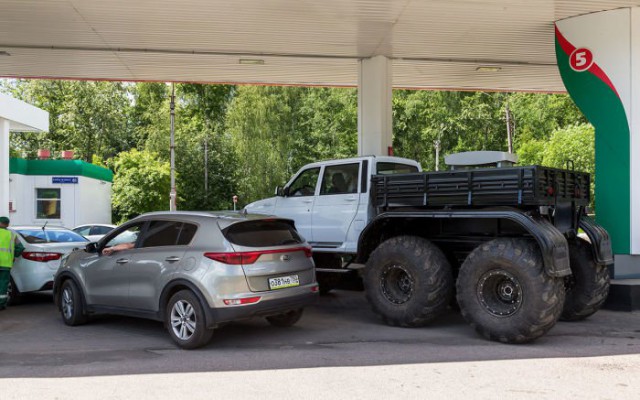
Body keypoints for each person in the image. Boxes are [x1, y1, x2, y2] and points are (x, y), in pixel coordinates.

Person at [0, 216, 24, 311]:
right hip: (6, 264)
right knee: (3, 284)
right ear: (7, 224)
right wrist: (13, 256)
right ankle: (1, 304)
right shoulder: (12, 235)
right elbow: (20, 248)